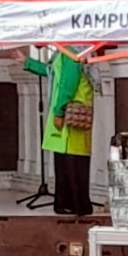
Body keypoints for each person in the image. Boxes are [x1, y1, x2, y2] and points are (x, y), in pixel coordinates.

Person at [18, 47, 94, 216]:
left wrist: (59, 111)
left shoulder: (70, 53)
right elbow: (51, 71)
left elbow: (68, 84)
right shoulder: (64, 53)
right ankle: (69, 203)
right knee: (65, 160)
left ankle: (73, 204)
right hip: (70, 113)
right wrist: (27, 62)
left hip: (71, 114)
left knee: (70, 161)